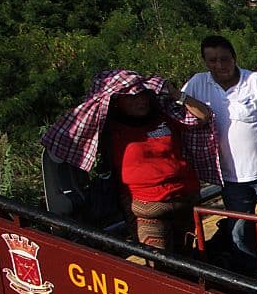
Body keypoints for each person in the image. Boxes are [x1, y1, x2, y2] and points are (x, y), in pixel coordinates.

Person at [42, 70, 215, 251]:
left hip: (185, 199)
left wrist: (175, 93)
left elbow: (203, 116)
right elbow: (64, 135)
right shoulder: (110, 127)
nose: (140, 101)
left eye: (143, 95)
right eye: (132, 97)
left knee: (188, 256)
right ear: (117, 101)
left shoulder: (164, 116)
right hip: (146, 208)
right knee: (161, 265)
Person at [183, 35, 257, 269]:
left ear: (234, 58)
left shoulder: (255, 82)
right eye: (212, 60)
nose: (219, 65)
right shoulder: (198, 83)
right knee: (238, 230)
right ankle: (248, 275)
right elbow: (179, 106)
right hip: (231, 177)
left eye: (224, 59)